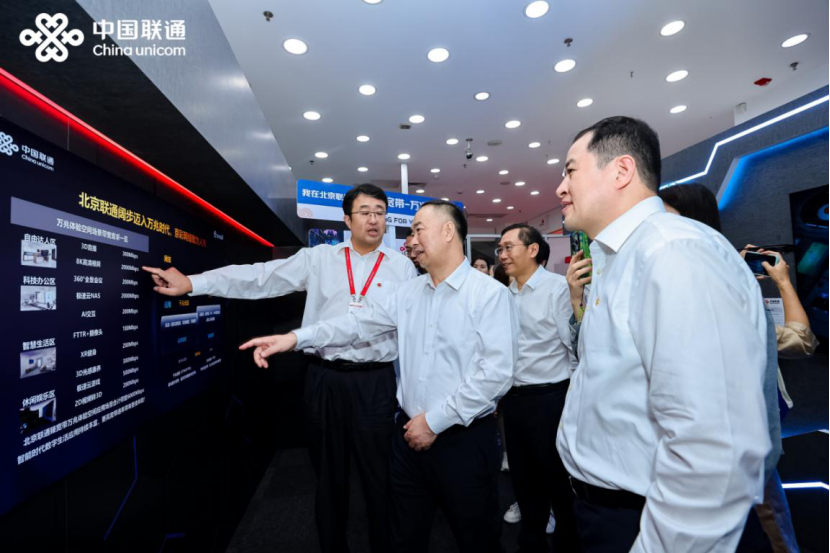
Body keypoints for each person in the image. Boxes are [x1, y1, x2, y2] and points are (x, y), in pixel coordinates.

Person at [142, 184, 418, 553]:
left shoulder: (402, 267)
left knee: (379, 477)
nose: (373, 219)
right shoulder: (320, 258)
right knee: (328, 477)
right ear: (347, 219)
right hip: (323, 378)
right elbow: (262, 276)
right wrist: (194, 282)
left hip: (375, 382)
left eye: (380, 212)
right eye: (365, 212)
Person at [238, 200, 518, 553]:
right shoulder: (409, 293)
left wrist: (434, 422)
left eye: (418, 230)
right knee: (404, 537)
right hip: (408, 440)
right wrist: (295, 338)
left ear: (448, 231)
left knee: (476, 538)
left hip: (463, 443)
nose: (411, 240)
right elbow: (356, 324)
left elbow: (496, 374)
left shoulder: (489, 295)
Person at [555, 116, 771, 552]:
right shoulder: (617, 257)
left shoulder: (673, 252)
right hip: (606, 512)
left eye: (571, 171)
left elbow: (713, 449)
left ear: (621, 170)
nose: (561, 188)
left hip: (655, 522)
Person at [497, 223, 581, 552]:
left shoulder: (557, 289)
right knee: (524, 484)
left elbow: (574, 346)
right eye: (500, 249)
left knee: (558, 484)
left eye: (509, 247)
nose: (502, 255)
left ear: (533, 250)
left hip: (550, 400)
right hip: (514, 401)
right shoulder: (505, 293)